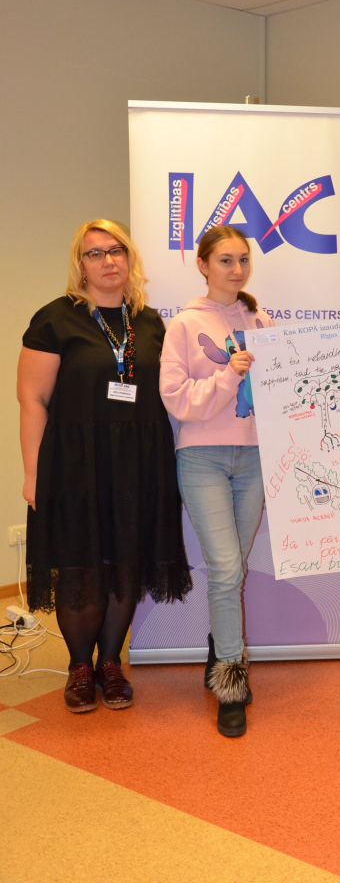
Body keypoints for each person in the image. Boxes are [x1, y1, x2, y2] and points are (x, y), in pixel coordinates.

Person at [17, 220, 191, 714]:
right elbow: (31, 400)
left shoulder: (150, 322)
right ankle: (79, 666)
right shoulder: (55, 319)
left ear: (130, 258)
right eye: (95, 253)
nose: (108, 260)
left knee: (124, 563)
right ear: (81, 265)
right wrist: (33, 474)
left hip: (140, 462)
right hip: (75, 463)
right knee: (81, 563)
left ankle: (110, 663)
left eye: (117, 250)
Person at [160, 225, 273, 738]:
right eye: (225, 260)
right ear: (203, 265)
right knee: (226, 568)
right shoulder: (185, 324)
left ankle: (219, 648)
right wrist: (231, 375)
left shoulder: (262, 321)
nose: (237, 269)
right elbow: (178, 400)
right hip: (202, 457)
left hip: (255, 457)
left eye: (243, 259)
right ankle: (230, 681)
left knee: (235, 568)